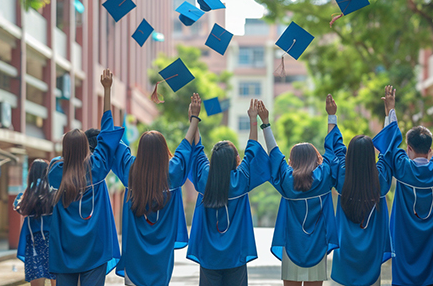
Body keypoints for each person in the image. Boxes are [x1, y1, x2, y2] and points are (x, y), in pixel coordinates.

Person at [372, 86, 433, 286]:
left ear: (409, 149)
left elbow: (391, 142)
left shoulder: (402, 166)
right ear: (430, 149)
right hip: (431, 241)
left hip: (404, 239)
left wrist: (390, 110)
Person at [105, 93, 202, 286]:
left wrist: (108, 92)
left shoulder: (130, 174)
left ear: (141, 151)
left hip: (134, 260)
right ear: (163, 151)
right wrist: (194, 119)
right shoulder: (171, 176)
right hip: (161, 261)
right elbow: (185, 148)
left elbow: (110, 136)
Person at [48, 69, 120, 286]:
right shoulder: (97, 169)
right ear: (88, 148)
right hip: (94, 249)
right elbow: (106, 134)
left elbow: (58, 163)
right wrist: (107, 90)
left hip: (65, 251)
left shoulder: (55, 173)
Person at [187, 99, 270, 286]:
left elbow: (197, 149)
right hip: (235, 255)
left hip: (209, 256)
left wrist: (194, 117)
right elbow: (252, 149)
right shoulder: (240, 180)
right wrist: (253, 119)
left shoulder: (203, 179)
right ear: (235, 160)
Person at [259, 99, 339, 286]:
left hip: (292, 246)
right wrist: (331, 115)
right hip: (317, 245)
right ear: (315, 158)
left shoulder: (287, 181)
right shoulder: (324, 177)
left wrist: (265, 123)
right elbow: (331, 149)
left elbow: (274, 153)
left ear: (292, 160)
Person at [324, 93, 393, 286]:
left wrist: (332, 116)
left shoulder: (342, 179)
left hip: (346, 254)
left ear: (350, 155)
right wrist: (389, 114)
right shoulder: (380, 181)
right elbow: (388, 152)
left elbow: (334, 149)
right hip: (371, 256)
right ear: (372, 155)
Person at [14, 159, 56, 286]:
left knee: (36, 282)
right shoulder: (54, 194)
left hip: (33, 243)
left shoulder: (26, 196)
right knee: (57, 281)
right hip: (53, 242)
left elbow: (19, 208)